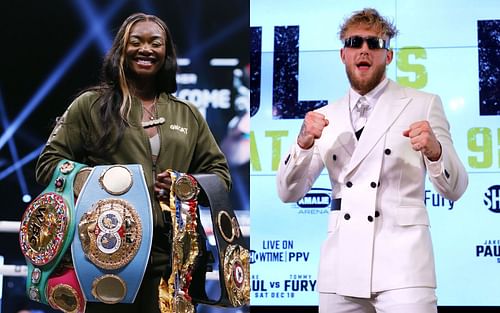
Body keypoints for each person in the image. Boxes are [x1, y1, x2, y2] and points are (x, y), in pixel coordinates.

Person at [276, 8, 468, 313]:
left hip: (404, 266)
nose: (364, 49)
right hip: (341, 267)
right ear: (343, 54)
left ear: (387, 56)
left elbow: (456, 188)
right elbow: (288, 193)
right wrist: (301, 144)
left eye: (374, 44)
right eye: (355, 42)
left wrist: (435, 152)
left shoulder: (423, 104)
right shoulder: (325, 117)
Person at [35, 12, 230, 313]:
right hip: (102, 251)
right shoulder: (90, 105)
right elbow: (48, 163)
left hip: (172, 258)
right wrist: (91, 182)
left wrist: (185, 185)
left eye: (156, 43)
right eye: (136, 42)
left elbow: (220, 177)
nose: (146, 49)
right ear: (120, 50)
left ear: (166, 53)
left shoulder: (187, 114)